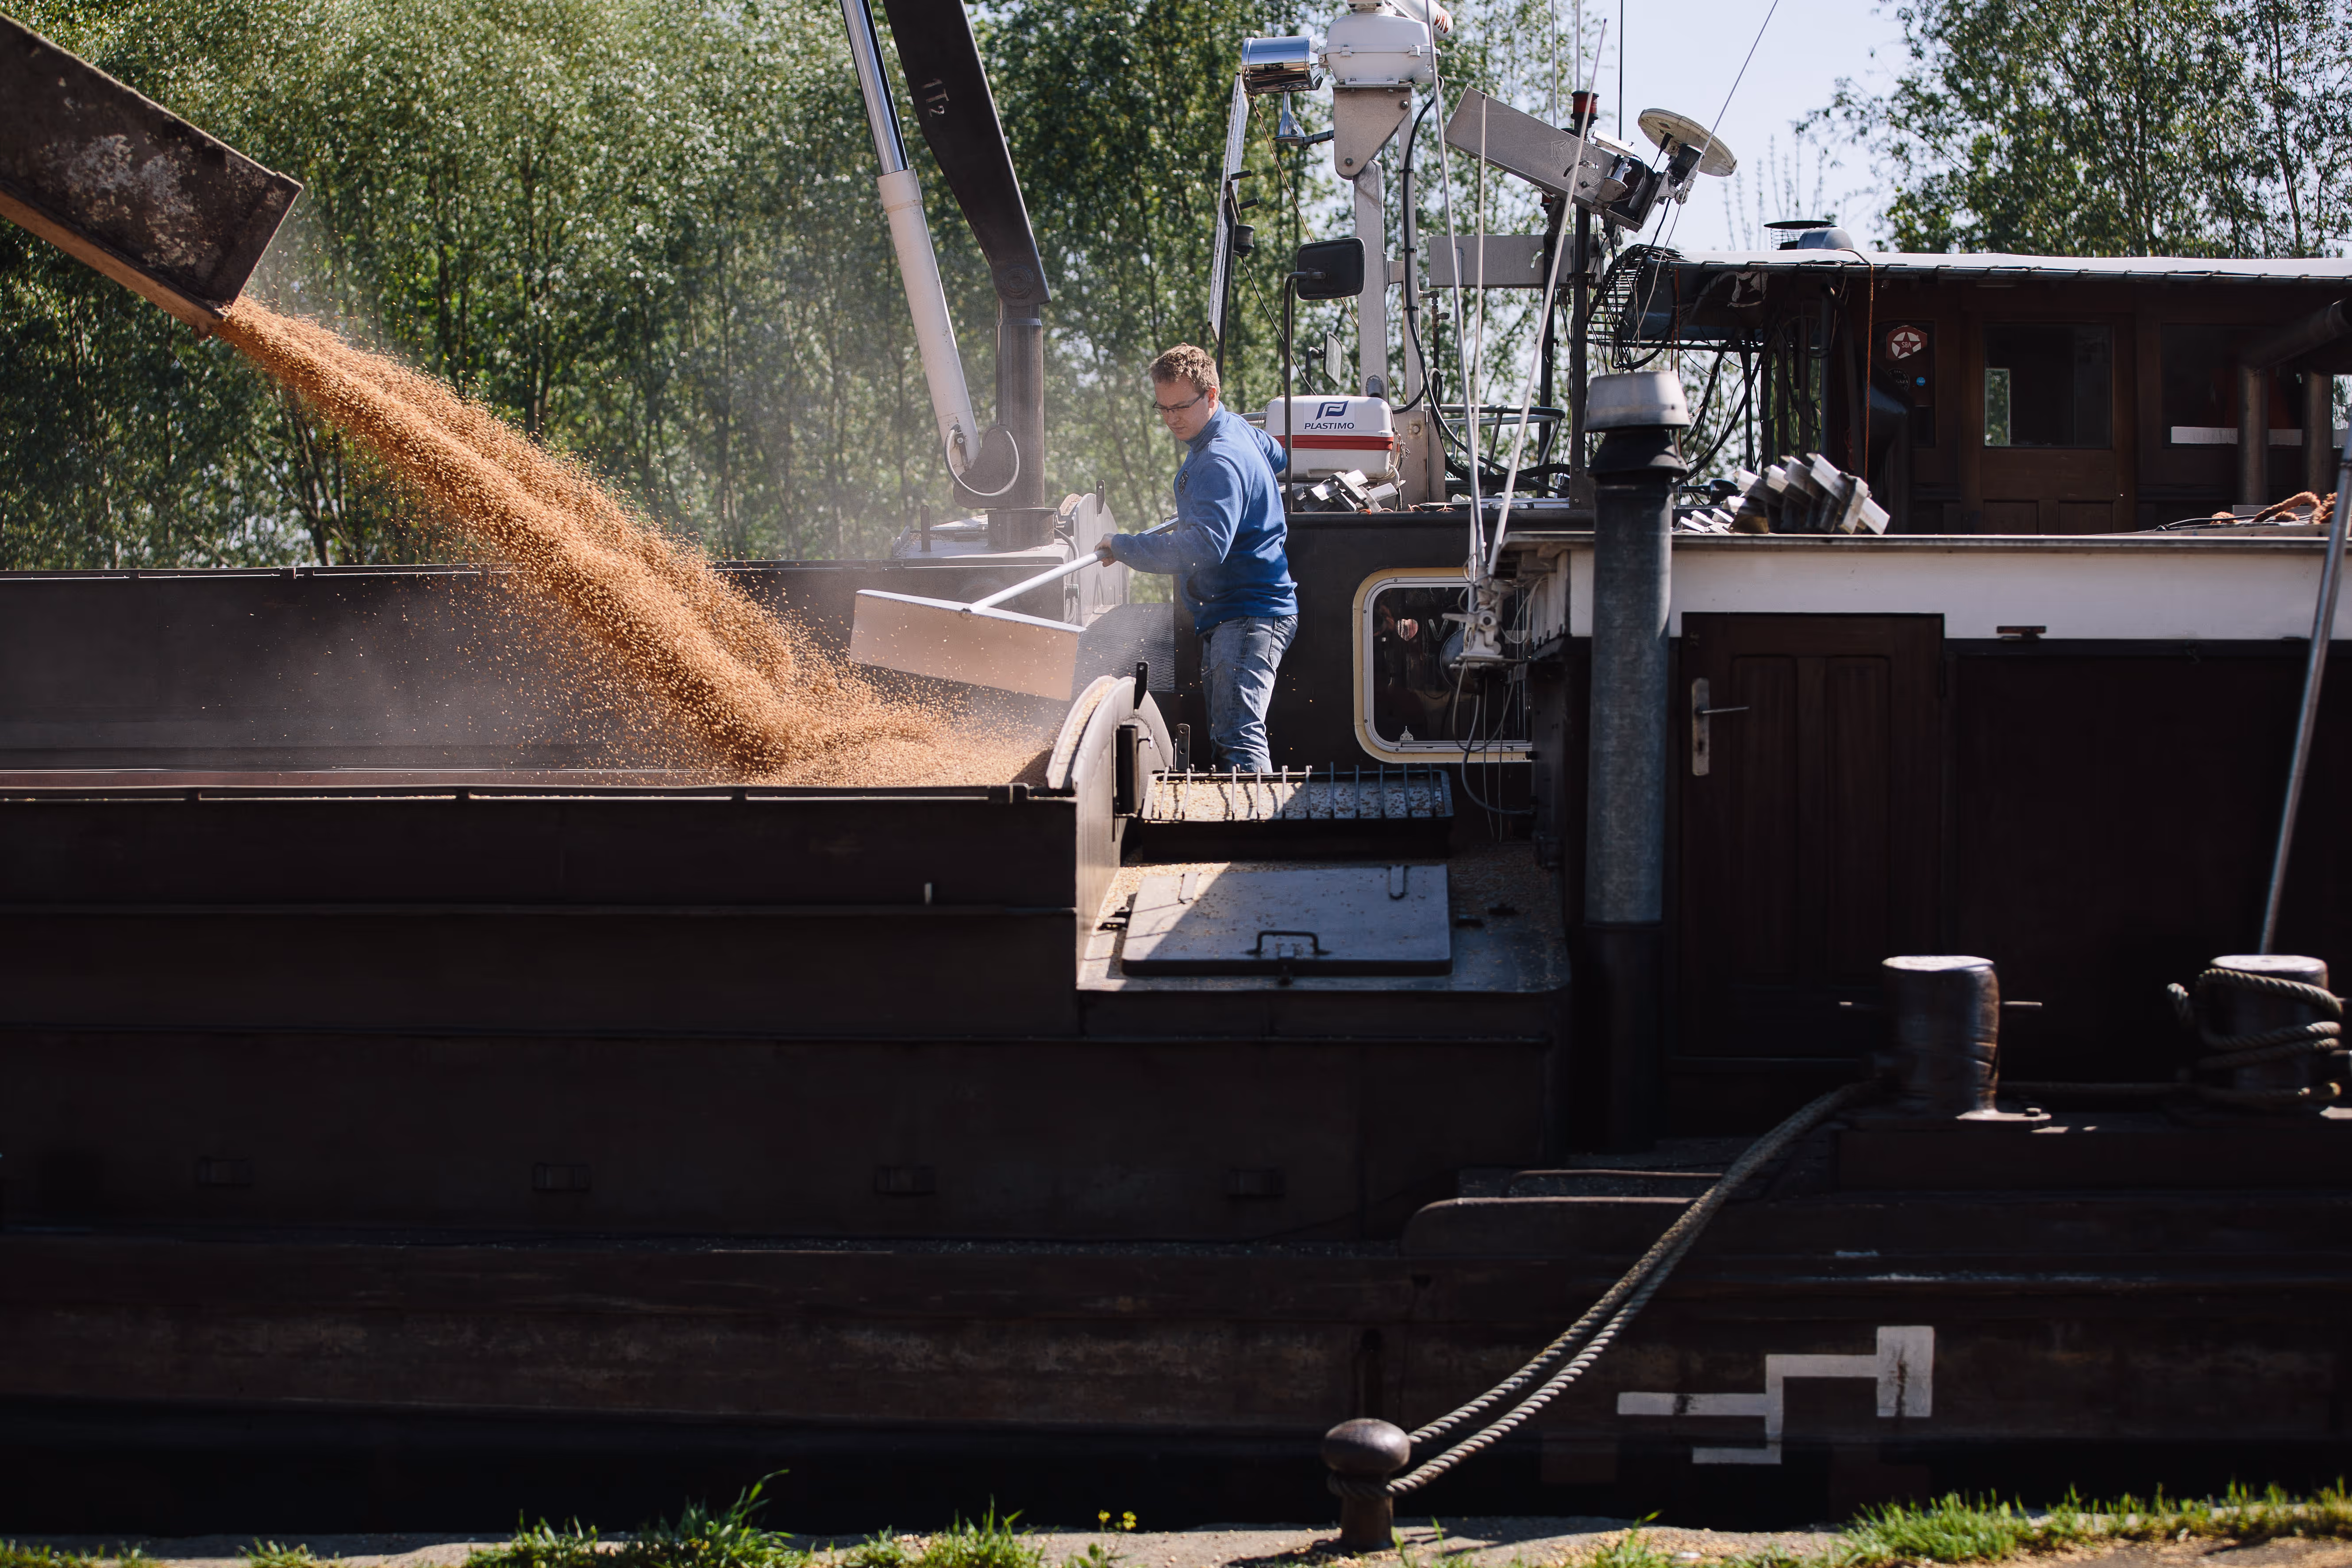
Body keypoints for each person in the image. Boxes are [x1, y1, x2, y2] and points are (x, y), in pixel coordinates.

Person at [1096, 343, 1297, 773]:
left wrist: (1123, 546)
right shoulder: (1237, 431)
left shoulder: (1218, 460)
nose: (1171, 419)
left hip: (1247, 614)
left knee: (1237, 735)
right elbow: (1278, 456)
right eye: (1162, 408)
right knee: (1231, 732)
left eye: (1181, 407)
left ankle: (1253, 836)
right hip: (1243, 611)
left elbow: (1204, 547)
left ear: (1211, 395)